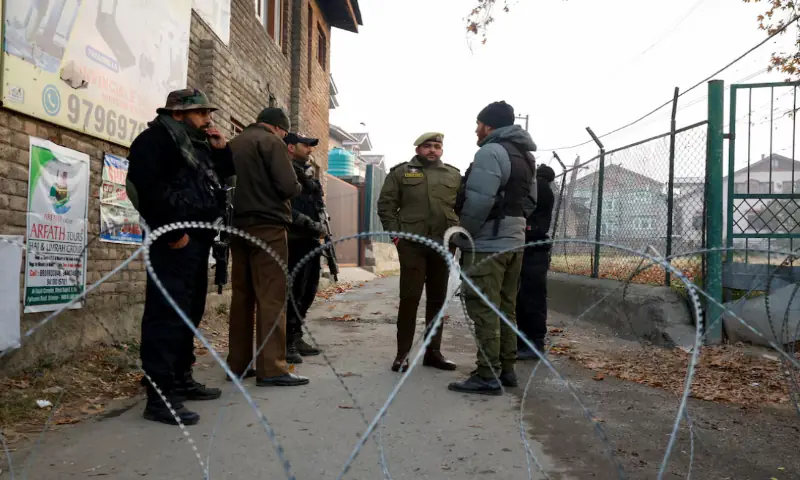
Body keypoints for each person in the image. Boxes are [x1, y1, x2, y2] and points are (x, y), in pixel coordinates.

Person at [127, 88, 235, 425]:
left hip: (197, 238)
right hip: (173, 240)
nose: (208, 120)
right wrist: (174, 233)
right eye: (201, 113)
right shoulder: (155, 140)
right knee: (167, 315)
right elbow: (147, 190)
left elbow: (217, 182)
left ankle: (181, 378)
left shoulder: (196, 144)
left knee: (190, 310)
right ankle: (160, 398)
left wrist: (222, 151)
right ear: (178, 113)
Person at [448, 101, 538, 396]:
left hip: (487, 244)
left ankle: (487, 374)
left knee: (483, 308)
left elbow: (478, 201)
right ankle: (506, 368)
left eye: (479, 124)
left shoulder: (490, 151)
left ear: (489, 125)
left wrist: (463, 236)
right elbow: (530, 202)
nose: (476, 129)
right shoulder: (525, 156)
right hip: (514, 242)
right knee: (505, 307)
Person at [226, 107, 310, 387]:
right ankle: (272, 369)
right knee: (272, 297)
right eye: (285, 133)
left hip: (237, 226)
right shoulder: (271, 142)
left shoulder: (234, 142)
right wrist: (298, 187)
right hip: (268, 226)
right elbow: (288, 185)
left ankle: (237, 364)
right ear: (279, 128)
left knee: (242, 297)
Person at [377, 132, 461, 373]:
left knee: (437, 299)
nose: (432, 150)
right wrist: (397, 236)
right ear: (418, 149)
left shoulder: (453, 175)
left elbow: (462, 206)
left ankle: (433, 353)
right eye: (427, 146)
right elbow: (386, 206)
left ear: (442, 150)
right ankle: (402, 354)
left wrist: (456, 233)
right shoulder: (400, 173)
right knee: (410, 298)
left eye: (437, 146)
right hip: (412, 245)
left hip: (443, 245)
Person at [284, 132, 326, 364]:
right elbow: (285, 207)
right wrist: (310, 224)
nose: (310, 150)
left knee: (309, 290)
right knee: (294, 291)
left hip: (311, 240)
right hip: (294, 240)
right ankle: (286, 341)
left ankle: (296, 334)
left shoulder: (308, 174)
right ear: (290, 147)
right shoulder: (285, 171)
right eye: (305, 145)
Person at [517, 164, 556, 360]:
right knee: (530, 297)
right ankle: (530, 342)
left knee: (529, 297)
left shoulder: (538, 186)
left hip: (531, 248)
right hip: (534, 248)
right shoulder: (544, 186)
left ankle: (531, 344)